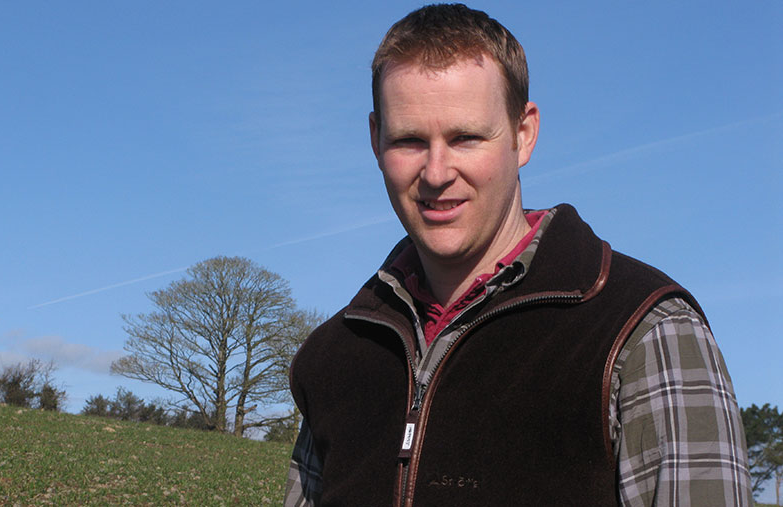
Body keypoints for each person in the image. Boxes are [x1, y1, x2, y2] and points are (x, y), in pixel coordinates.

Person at [285, 4, 752, 506]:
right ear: (375, 139)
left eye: (465, 137)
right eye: (410, 140)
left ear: (523, 133)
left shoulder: (643, 330)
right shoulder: (335, 356)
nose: (437, 172)